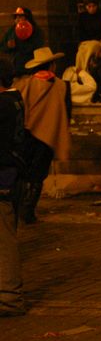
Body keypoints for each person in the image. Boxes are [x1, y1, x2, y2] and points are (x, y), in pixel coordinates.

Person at [14, 48, 71, 224]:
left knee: (24, 172)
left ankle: (19, 206)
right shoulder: (61, 86)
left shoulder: (25, 84)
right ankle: (28, 210)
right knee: (38, 175)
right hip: (47, 136)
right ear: (52, 65)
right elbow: (66, 113)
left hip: (27, 134)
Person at [0, 56, 26, 316]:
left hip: (4, 176)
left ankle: (9, 297)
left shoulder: (4, 104)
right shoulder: (15, 100)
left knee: (4, 239)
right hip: (12, 174)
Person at [2, 7, 45, 77]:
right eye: (16, 17)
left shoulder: (36, 31)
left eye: (20, 16)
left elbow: (37, 46)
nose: (17, 19)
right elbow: (2, 46)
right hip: (15, 67)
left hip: (32, 67)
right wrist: (8, 46)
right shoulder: (11, 31)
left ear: (27, 18)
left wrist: (18, 45)